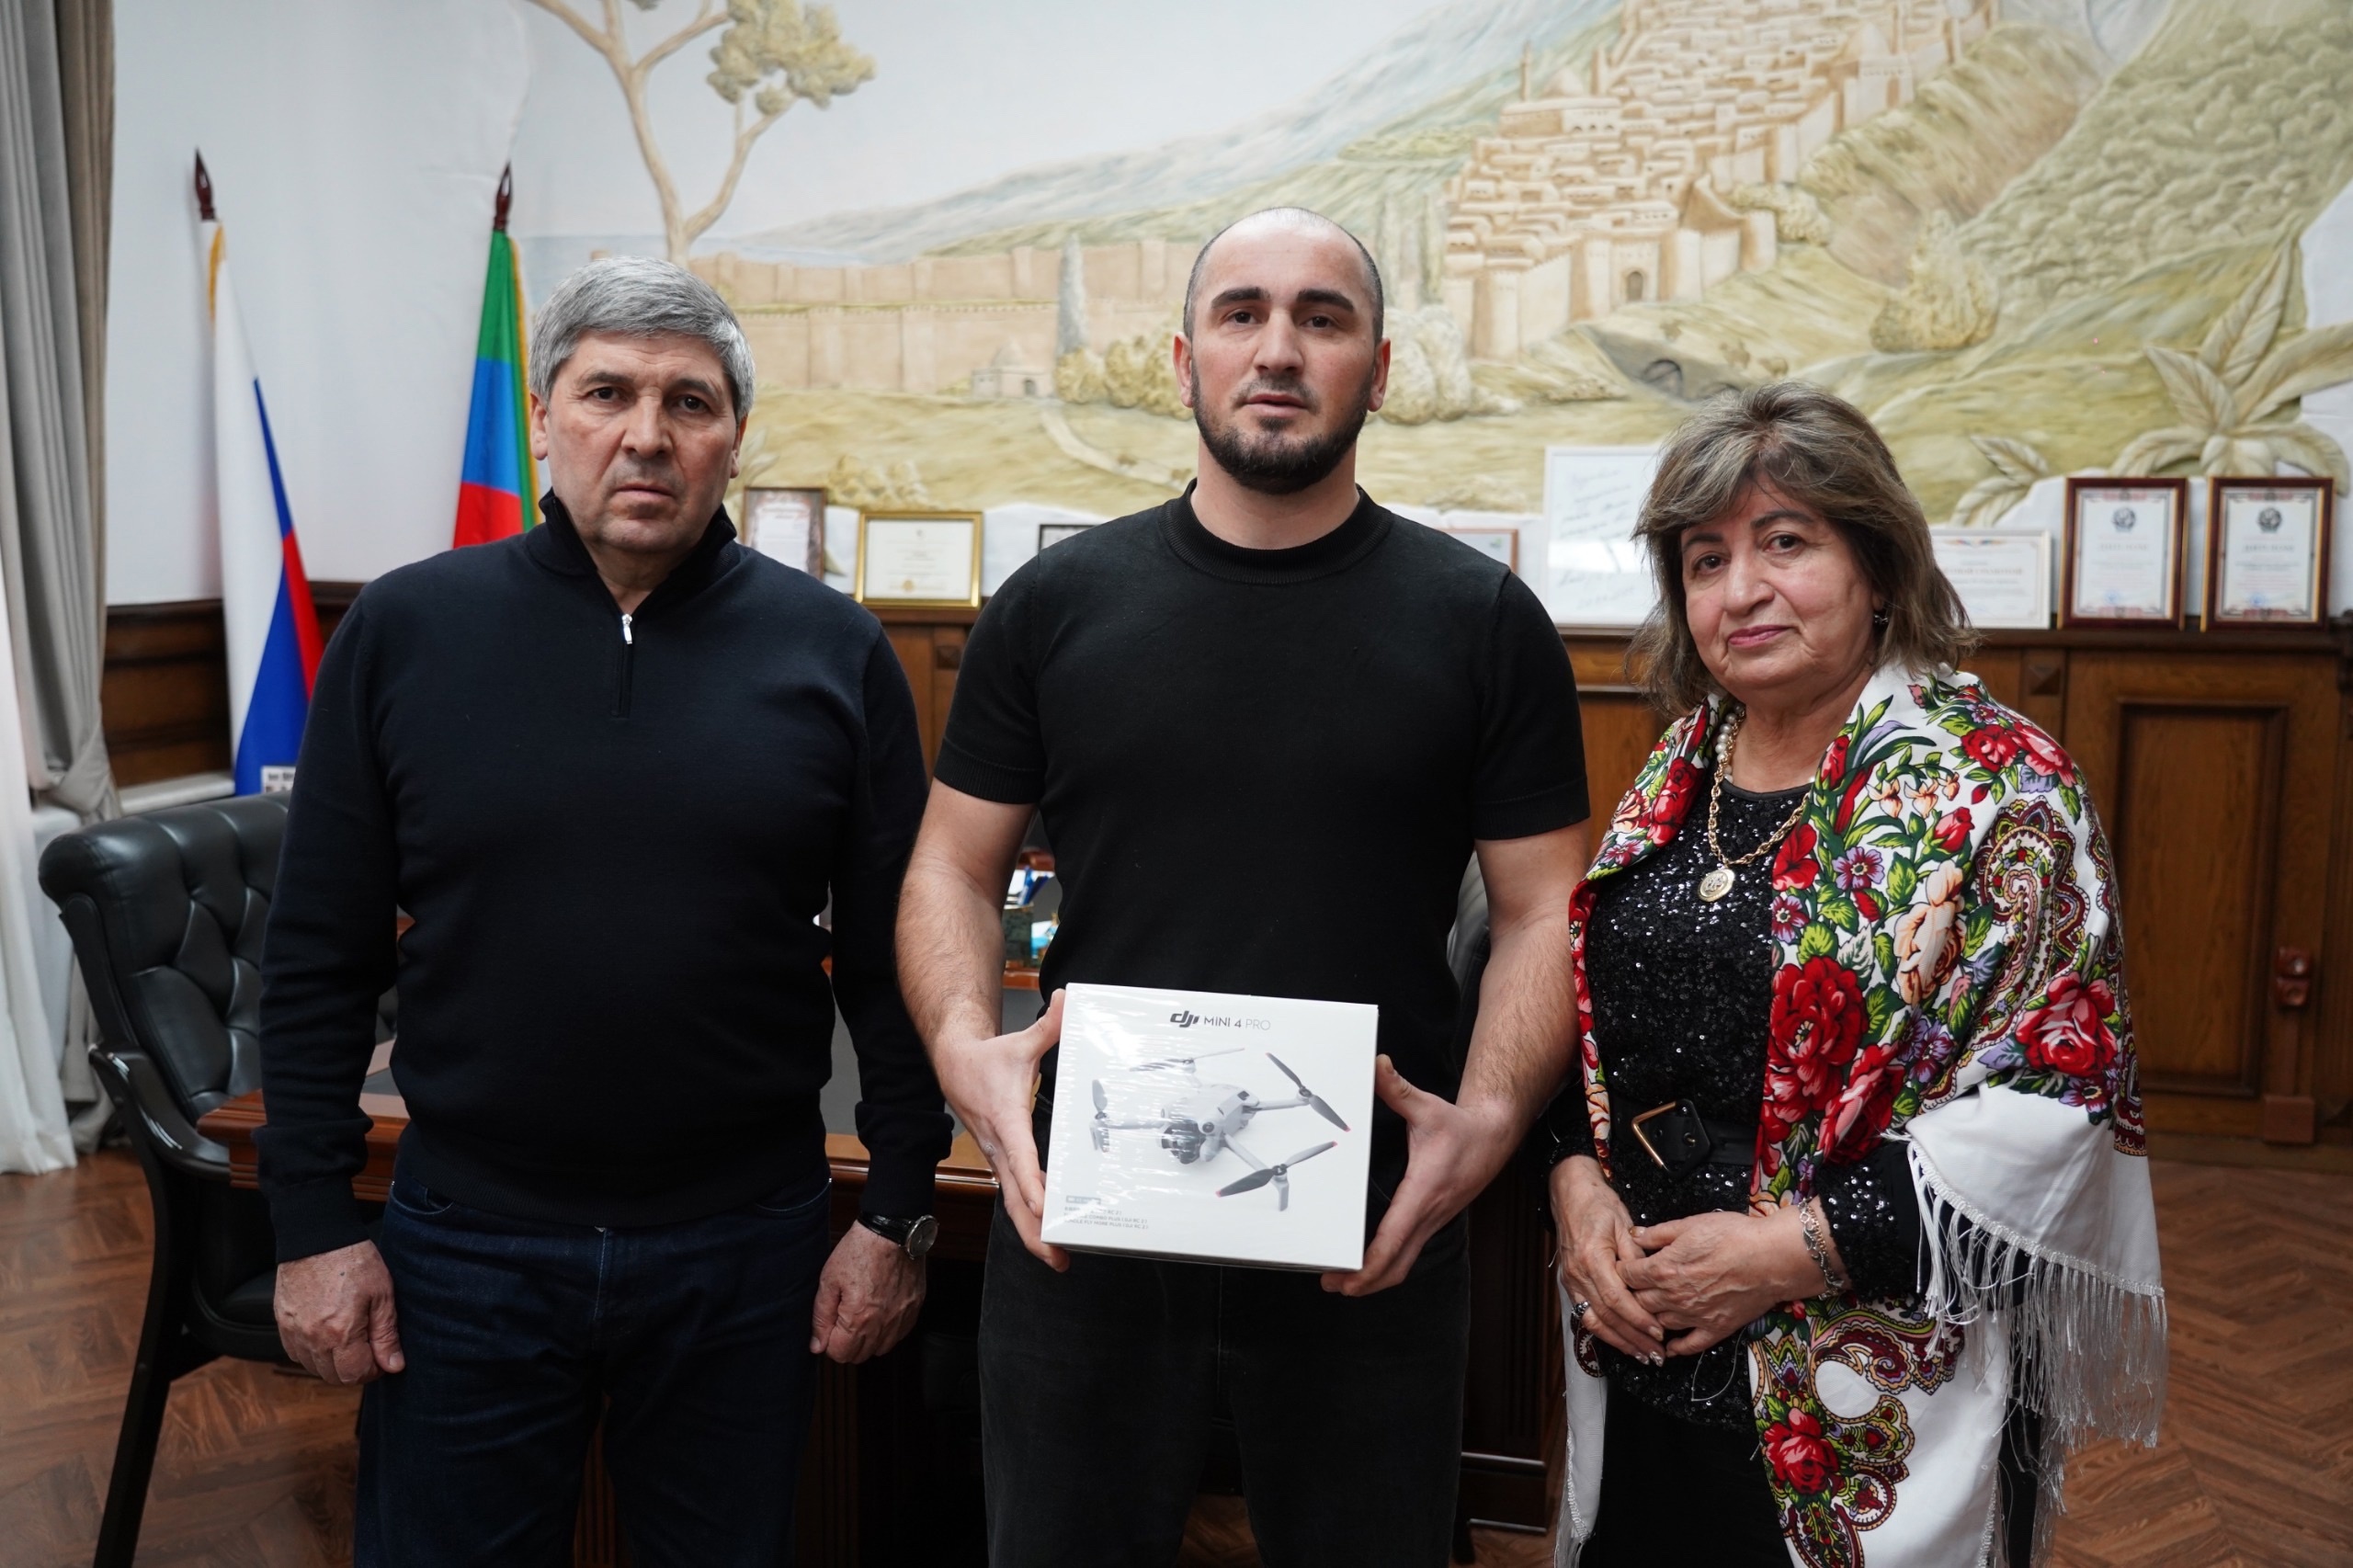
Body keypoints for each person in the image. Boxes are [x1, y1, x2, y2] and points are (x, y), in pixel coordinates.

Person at [894, 207, 1593, 1567]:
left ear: (1378, 371)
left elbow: (1541, 908)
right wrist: (963, 1048)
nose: (1279, 349)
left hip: (1374, 1222)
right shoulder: (1053, 605)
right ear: (1185, 362)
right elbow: (952, 866)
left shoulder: (1482, 621)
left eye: (1322, 320)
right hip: (1090, 1220)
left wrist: (1493, 1116)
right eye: (1242, 314)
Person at [256, 256, 951, 1567]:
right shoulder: (405, 632)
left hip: (745, 1247)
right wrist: (312, 1226)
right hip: (466, 1244)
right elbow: (316, 956)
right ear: (544, 421)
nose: (646, 434)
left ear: (734, 437)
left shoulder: (834, 651)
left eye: (689, 402)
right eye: (607, 393)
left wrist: (897, 1209)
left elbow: (896, 957)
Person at [1540, 382, 2165, 1566]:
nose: (1741, 590)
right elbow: (1595, 1022)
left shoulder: (2004, 790)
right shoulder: (1681, 766)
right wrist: (1576, 1187)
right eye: (1706, 559)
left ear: (1878, 568)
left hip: (1877, 1373)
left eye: (1786, 543)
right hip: (1647, 1339)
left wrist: (1781, 1256)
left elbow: (2059, 1098)